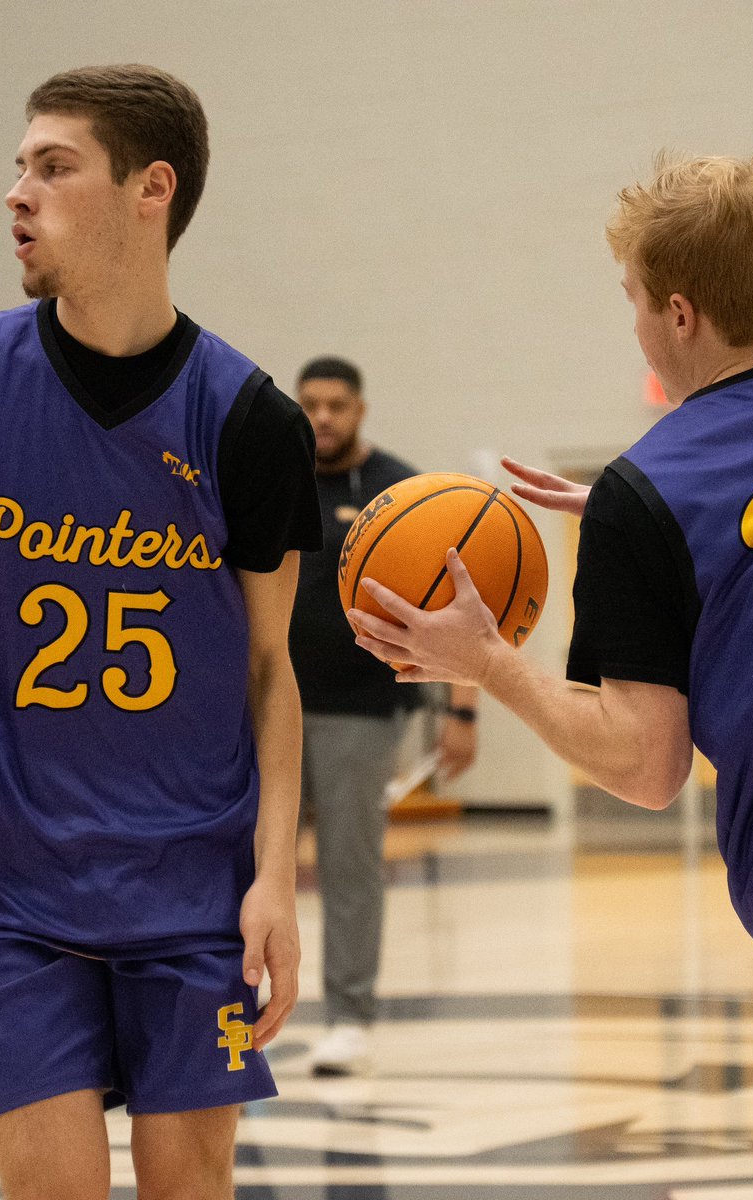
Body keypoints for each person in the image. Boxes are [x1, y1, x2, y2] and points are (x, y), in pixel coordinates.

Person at [350, 147, 753, 1200]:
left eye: (637, 301)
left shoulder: (650, 495)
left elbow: (647, 768)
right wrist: (642, 529)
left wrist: (490, 665)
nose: (638, 322)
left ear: (682, 315)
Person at [0, 64, 321, 1200]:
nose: (19, 192)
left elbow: (267, 667)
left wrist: (275, 882)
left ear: (151, 190)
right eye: (19, 166)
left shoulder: (249, 421)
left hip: (196, 895)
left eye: (54, 168)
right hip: (4, 880)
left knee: (190, 1184)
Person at [290, 356, 478, 1075]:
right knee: (244, 862)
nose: (323, 417)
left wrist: (463, 714)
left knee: (349, 863)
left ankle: (349, 1018)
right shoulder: (276, 479)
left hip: (362, 709)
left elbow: (461, 606)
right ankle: (232, 1021)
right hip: (266, 705)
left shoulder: (401, 489)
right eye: (310, 404)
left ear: (360, 409)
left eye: (335, 404)